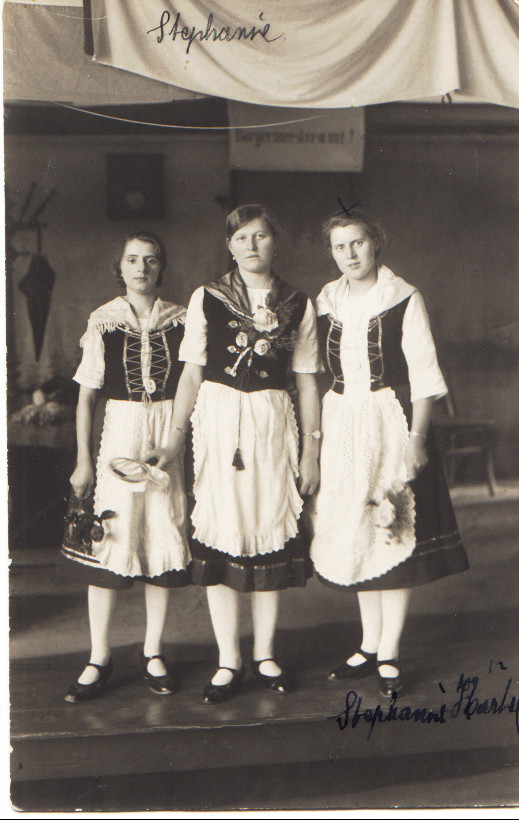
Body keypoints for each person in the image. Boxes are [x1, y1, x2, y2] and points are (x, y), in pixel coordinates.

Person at [148, 204, 322, 703]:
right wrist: (176, 436)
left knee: (267, 530)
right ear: (229, 245)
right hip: (218, 426)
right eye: (242, 237)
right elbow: (191, 373)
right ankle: (229, 659)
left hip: (272, 425)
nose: (251, 245)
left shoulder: (297, 302)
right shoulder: (208, 297)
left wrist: (311, 451)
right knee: (222, 532)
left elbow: (307, 383)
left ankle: (265, 654)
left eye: (261, 235)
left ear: (275, 242)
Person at [310, 208, 469, 697]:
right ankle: (367, 644)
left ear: (376, 243)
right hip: (341, 424)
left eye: (357, 243)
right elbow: (311, 369)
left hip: (390, 421)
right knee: (359, 528)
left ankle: (390, 652)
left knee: (390, 525)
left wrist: (417, 439)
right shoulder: (326, 299)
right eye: (340, 246)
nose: (350, 254)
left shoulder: (403, 297)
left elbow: (424, 374)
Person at [60, 231, 191, 702]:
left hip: (165, 431)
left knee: (160, 537)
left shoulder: (182, 319)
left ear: (161, 267)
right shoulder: (103, 321)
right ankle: (99, 655)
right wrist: (82, 460)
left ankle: (153, 651)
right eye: (133, 260)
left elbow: (193, 384)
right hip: (119, 430)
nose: (141, 268)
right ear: (119, 267)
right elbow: (86, 397)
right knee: (109, 542)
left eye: (151, 260)